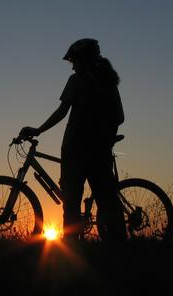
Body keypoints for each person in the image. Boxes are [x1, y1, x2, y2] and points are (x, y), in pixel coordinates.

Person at [19, 38, 127, 242]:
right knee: (108, 201)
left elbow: (61, 112)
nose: (73, 66)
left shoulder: (76, 81)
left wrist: (39, 130)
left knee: (71, 203)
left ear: (84, 60)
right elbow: (120, 116)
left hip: (75, 149)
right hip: (101, 149)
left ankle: (72, 249)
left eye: (74, 61)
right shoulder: (109, 82)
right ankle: (118, 248)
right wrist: (105, 133)